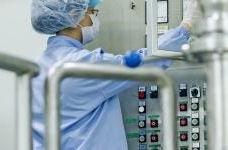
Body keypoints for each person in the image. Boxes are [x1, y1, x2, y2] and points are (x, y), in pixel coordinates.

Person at [30, 0, 200, 149]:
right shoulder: (80, 66)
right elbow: (145, 62)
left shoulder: (37, 68)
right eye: (92, 12)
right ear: (77, 15)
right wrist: (186, 28)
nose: (95, 19)